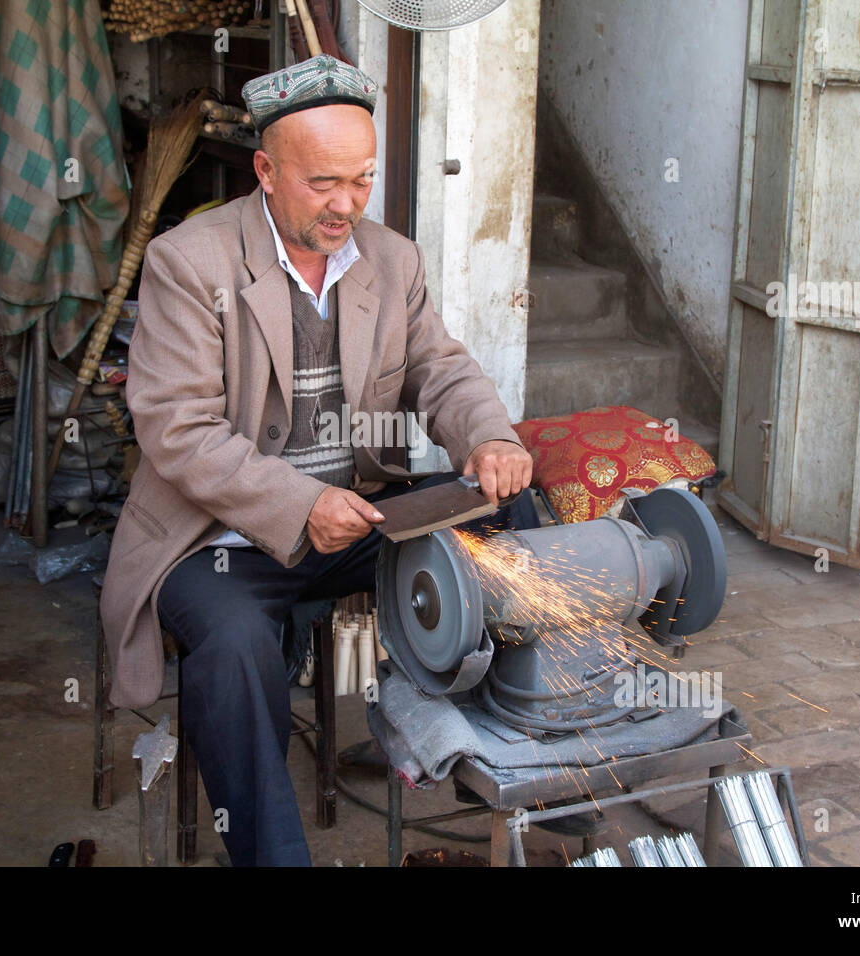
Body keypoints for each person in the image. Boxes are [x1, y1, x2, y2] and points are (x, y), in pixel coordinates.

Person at [100, 54, 535, 865]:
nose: (346, 205)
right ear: (266, 171)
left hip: (361, 518)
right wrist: (299, 505)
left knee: (506, 511)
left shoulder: (390, 259)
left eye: (362, 181)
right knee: (232, 651)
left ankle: (513, 765)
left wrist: (489, 437)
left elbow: (438, 369)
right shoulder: (191, 262)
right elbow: (177, 428)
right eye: (324, 183)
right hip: (222, 542)